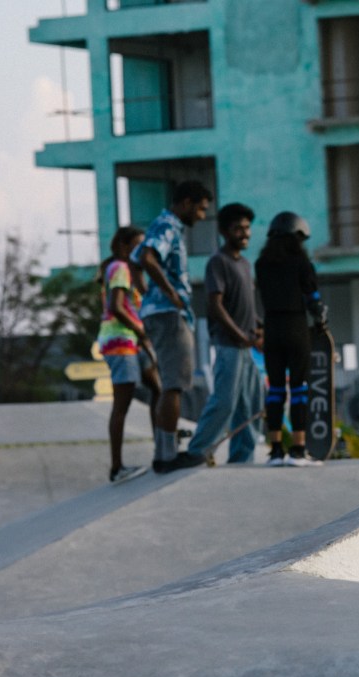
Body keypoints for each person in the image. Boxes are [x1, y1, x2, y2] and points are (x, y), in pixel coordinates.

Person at [133, 179, 214, 473]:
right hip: (168, 314)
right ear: (186, 203)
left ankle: (165, 451)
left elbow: (136, 262)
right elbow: (145, 257)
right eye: (201, 209)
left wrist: (148, 296)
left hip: (161, 311)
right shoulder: (167, 225)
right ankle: (166, 456)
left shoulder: (162, 225)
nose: (202, 216)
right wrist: (170, 294)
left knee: (172, 384)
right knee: (174, 385)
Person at [185, 202, 264, 465]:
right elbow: (215, 305)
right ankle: (197, 451)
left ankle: (243, 458)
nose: (244, 234)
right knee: (225, 402)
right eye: (238, 229)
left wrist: (258, 328)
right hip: (229, 345)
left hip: (246, 347)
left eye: (247, 228)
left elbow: (245, 306)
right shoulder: (217, 262)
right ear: (223, 231)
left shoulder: (244, 264)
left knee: (251, 405)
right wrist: (240, 335)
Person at [255, 211, 327, 467]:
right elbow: (313, 300)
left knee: (275, 389)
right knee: (298, 389)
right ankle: (298, 450)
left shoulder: (261, 265)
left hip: (272, 328)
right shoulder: (302, 264)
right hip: (296, 328)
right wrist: (320, 321)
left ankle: (275, 450)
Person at [97, 225, 161, 484]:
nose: (141, 251)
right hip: (120, 340)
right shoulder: (119, 268)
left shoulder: (130, 269)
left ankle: (163, 450)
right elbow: (116, 307)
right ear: (124, 248)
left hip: (134, 339)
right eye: (136, 246)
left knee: (158, 388)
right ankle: (116, 467)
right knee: (121, 405)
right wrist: (141, 333)